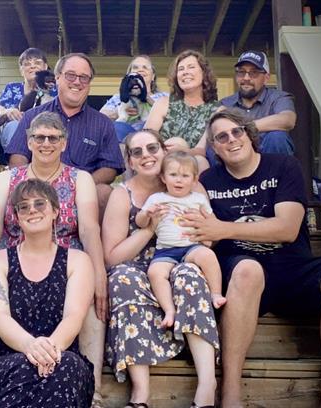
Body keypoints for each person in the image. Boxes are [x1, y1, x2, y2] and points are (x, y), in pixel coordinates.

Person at [185, 108, 321, 408]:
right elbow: (203, 232)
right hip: (240, 272)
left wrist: (223, 228)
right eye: (221, 137)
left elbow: (287, 229)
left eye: (237, 132)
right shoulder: (208, 181)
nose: (231, 139)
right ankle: (231, 394)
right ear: (214, 148)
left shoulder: (283, 166)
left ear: (250, 134)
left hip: (292, 267)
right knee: (249, 270)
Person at [0, 112, 107, 407]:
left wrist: (99, 274)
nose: (46, 143)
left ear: (64, 143)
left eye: (53, 138)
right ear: (28, 142)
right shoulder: (7, 178)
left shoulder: (79, 179)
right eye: (39, 137)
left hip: (67, 261)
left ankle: (93, 392)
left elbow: (89, 229)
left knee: (91, 295)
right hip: (13, 259)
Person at [103, 129, 220, 408]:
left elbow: (210, 237)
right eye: (137, 152)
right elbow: (112, 257)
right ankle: (140, 393)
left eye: (152, 148)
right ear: (130, 161)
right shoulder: (122, 195)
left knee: (189, 274)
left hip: (182, 259)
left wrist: (197, 233)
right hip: (137, 269)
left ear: (164, 151)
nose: (146, 156)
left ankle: (207, 385)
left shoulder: (191, 186)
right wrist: (148, 230)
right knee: (123, 279)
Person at [0, 179, 95, 407]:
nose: (32, 210)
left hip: (60, 354)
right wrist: (30, 346)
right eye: (23, 206)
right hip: (5, 359)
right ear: (17, 217)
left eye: (40, 204)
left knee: (67, 366)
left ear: (55, 211)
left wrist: (48, 352)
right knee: (25, 367)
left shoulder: (77, 261)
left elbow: (73, 317)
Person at [5, 52, 125, 215]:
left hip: (82, 194)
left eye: (84, 77)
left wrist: (81, 186)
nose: (77, 81)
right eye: (70, 75)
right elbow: (17, 157)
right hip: (35, 189)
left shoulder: (103, 123)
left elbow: (110, 167)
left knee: (104, 192)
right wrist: (33, 187)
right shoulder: (31, 116)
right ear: (57, 77)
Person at [136, 151, 226, 328]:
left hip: (192, 246)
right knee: (155, 273)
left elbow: (212, 222)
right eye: (173, 175)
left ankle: (216, 293)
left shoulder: (198, 199)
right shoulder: (157, 199)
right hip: (165, 250)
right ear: (163, 178)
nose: (179, 180)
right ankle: (169, 310)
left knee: (208, 256)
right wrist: (147, 214)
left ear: (194, 180)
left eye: (185, 176)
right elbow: (140, 223)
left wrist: (207, 238)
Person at [145, 50, 219, 173]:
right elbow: (147, 138)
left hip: (192, 163)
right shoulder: (163, 103)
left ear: (204, 73)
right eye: (181, 69)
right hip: (161, 158)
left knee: (201, 161)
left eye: (191, 67)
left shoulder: (216, 110)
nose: (185, 72)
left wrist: (183, 150)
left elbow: (201, 150)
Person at [220, 50, 296, 155]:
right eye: (241, 72)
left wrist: (247, 128)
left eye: (254, 73)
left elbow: (287, 120)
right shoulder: (226, 104)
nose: (246, 78)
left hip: (270, 157)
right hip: (238, 158)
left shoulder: (278, 98)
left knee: (277, 137)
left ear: (266, 78)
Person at [0, 48, 57, 151]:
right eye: (27, 64)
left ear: (45, 67)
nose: (32, 66)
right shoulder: (12, 88)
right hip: (15, 133)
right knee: (14, 126)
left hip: (45, 134)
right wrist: (7, 111)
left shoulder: (54, 90)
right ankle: (17, 159)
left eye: (37, 62)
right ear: (21, 70)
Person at [100, 55, 168, 142]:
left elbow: (175, 117)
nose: (140, 70)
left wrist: (147, 99)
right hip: (123, 133)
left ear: (153, 76)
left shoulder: (164, 97)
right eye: (135, 68)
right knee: (118, 127)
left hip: (152, 136)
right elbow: (100, 118)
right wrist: (120, 111)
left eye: (145, 67)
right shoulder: (117, 98)